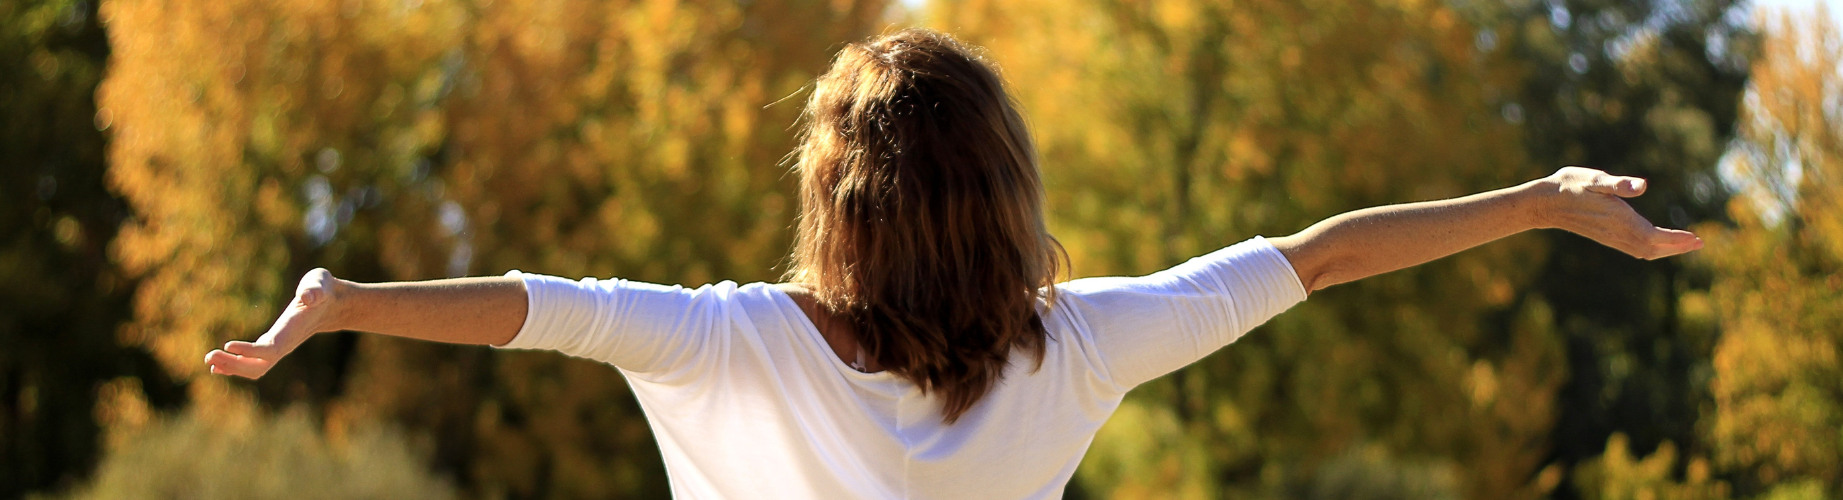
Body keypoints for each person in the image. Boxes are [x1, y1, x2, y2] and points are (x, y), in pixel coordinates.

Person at [203, 28, 1702, 499]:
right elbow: (1312, 260)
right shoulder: (1081, 348)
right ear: (1006, 196)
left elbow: (534, 308)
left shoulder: (730, 343)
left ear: (833, 202)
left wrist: (342, 307)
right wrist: (1537, 200)